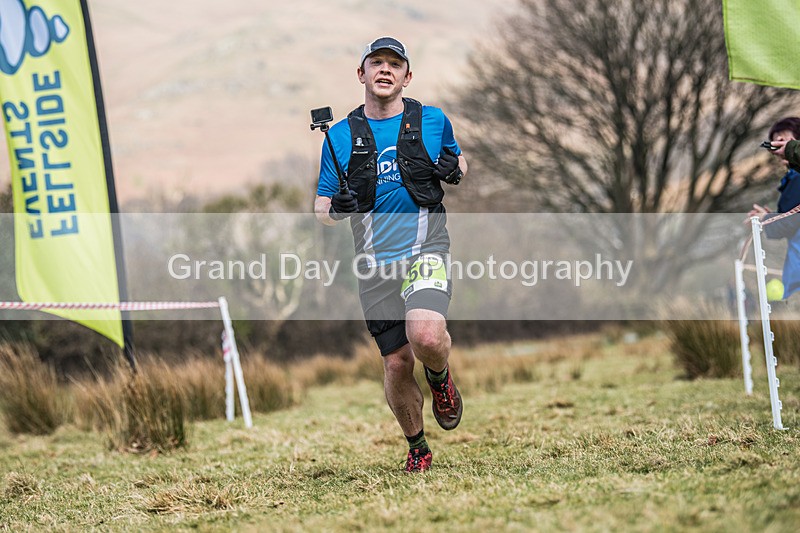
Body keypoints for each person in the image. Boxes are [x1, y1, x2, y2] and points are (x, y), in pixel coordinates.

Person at [313, 37, 468, 473]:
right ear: (361, 74)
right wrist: (335, 211)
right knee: (397, 363)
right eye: (376, 62)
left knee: (427, 338)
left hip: (426, 248)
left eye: (394, 64)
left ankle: (440, 379)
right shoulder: (338, 136)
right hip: (374, 264)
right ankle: (417, 447)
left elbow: (460, 162)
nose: (385, 70)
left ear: (407, 76)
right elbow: (322, 208)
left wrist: (454, 170)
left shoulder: (433, 120)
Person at [748, 117, 800, 299]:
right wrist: (771, 217)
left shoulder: (796, 178)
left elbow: (792, 222)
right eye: (774, 141)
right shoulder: (792, 178)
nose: (777, 147)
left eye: (783, 140)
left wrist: (766, 220)